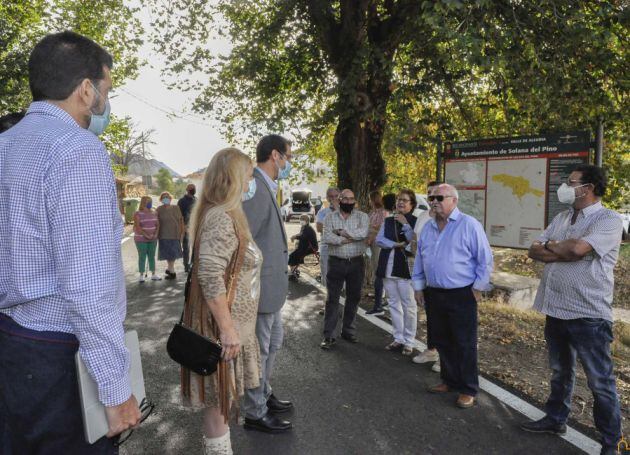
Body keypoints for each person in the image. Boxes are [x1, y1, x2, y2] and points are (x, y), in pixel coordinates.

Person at [0, 31, 140, 453]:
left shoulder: (6, 144)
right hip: (58, 356)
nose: (105, 102)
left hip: (12, 343)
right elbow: (87, 287)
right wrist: (116, 389)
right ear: (85, 90)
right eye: (106, 89)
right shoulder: (78, 151)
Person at [520, 165, 623, 455]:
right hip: (556, 309)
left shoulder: (608, 219)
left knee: (599, 382)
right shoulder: (562, 217)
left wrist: (557, 249)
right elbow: (533, 250)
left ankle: (611, 443)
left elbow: (577, 249)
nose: (565, 186)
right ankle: (555, 419)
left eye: (571, 182)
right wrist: (559, 248)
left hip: (587, 315)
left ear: (588, 188)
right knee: (559, 371)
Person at [181, 148, 263, 455]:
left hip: (229, 328)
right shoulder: (221, 217)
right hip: (221, 331)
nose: (249, 183)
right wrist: (228, 330)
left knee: (222, 404)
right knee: (217, 406)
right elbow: (210, 275)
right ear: (235, 178)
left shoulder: (225, 215)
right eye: (249, 177)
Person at [412, 183, 493, 409]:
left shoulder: (469, 225)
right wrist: (418, 287)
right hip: (434, 293)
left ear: (454, 201)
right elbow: (420, 259)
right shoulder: (428, 227)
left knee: (464, 343)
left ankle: (468, 388)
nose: (434, 201)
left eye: (439, 197)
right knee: (442, 340)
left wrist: (477, 288)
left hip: (461, 294)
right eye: (431, 198)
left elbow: (485, 260)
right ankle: (449, 380)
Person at [242, 134, 293, 433]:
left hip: (271, 289)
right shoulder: (255, 188)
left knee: (272, 345)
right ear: (275, 155)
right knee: (260, 351)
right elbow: (244, 238)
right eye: (287, 156)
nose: (288, 163)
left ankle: (264, 393)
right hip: (259, 290)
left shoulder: (267, 187)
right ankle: (254, 411)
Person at [320, 189, 369, 349]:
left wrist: (341, 233)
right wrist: (348, 239)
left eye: (351, 199)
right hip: (336, 262)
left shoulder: (362, 216)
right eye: (345, 199)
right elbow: (327, 237)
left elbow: (363, 234)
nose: (348, 202)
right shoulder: (329, 217)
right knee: (332, 299)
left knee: (353, 298)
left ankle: (348, 331)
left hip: (356, 262)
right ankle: (329, 336)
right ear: (339, 200)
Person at [376, 189, 418, 356]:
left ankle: (409, 341)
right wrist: (395, 244)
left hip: (405, 268)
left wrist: (405, 224)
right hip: (387, 267)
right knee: (393, 303)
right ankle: (398, 338)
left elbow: (414, 242)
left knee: (409, 306)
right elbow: (379, 240)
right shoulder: (387, 220)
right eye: (399, 199)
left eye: (405, 200)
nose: (401, 202)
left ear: (412, 204)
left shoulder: (416, 221)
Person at [412, 181, 442, 371]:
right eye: (429, 195)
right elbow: (416, 244)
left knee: (445, 319)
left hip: (445, 279)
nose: (432, 199)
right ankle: (431, 350)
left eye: (436, 194)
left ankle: (444, 357)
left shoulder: (450, 219)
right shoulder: (423, 216)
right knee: (431, 315)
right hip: (426, 275)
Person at [366, 190, 390, 315]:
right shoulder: (372, 212)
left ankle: (381, 300)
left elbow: (382, 229)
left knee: (379, 271)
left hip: (377, 244)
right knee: (376, 270)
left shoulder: (383, 212)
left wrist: (372, 231)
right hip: (371, 243)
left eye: (371, 199)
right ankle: (381, 296)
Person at [316, 187, 340, 286]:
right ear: (327, 198)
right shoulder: (322, 212)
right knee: (326, 273)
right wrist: (336, 231)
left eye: (336, 196)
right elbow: (319, 228)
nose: (333, 199)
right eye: (331, 196)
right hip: (327, 247)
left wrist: (337, 209)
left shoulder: (346, 211)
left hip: (342, 248)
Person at [157, 191, 185, 280]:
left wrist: (182, 232)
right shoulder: (159, 209)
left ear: (170, 198)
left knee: (173, 253)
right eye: (164, 197)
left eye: (167, 197)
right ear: (161, 199)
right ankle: (170, 269)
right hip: (163, 234)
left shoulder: (176, 208)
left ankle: (172, 270)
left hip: (174, 233)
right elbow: (155, 221)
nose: (166, 198)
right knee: (167, 253)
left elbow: (181, 221)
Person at [133, 196, 161, 282]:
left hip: (153, 238)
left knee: (151, 256)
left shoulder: (154, 213)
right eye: (148, 202)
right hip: (141, 239)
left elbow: (158, 225)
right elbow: (137, 227)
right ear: (143, 203)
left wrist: (155, 234)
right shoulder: (137, 213)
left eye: (151, 201)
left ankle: (153, 274)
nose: (150, 203)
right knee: (142, 256)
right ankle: (141, 275)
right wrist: (146, 235)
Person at [288, 214, 318, 279]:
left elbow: (303, 237)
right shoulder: (304, 227)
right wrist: (295, 236)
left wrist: (295, 237)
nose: (301, 221)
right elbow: (301, 235)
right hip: (305, 247)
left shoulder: (308, 228)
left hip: (310, 248)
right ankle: (294, 270)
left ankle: (293, 271)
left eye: (303, 219)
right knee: (293, 255)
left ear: (307, 220)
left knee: (293, 256)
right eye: (300, 219)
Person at [178, 183, 197, 272]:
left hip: (195, 227)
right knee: (186, 248)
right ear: (187, 189)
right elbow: (179, 215)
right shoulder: (182, 201)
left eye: (194, 188)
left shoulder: (197, 200)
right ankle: (186, 266)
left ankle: (193, 264)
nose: (194, 190)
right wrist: (183, 227)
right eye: (192, 188)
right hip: (186, 227)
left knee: (195, 247)